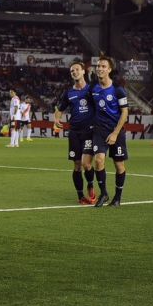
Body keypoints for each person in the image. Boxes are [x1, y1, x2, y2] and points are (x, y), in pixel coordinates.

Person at [54, 61, 96, 205]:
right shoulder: (68, 93)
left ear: (83, 71)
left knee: (87, 164)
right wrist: (57, 119)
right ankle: (80, 197)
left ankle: (90, 184)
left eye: (77, 70)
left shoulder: (92, 90)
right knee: (77, 165)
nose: (75, 72)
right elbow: (60, 109)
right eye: (72, 71)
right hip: (74, 132)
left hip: (89, 131)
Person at [89, 56, 129, 207]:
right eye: (98, 66)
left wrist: (115, 133)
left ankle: (117, 198)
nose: (99, 68)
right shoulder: (93, 88)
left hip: (116, 131)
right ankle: (104, 193)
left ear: (109, 70)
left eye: (103, 66)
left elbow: (124, 113)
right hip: (99, 130)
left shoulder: (118, 90)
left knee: (119, 165)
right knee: (99, 160)